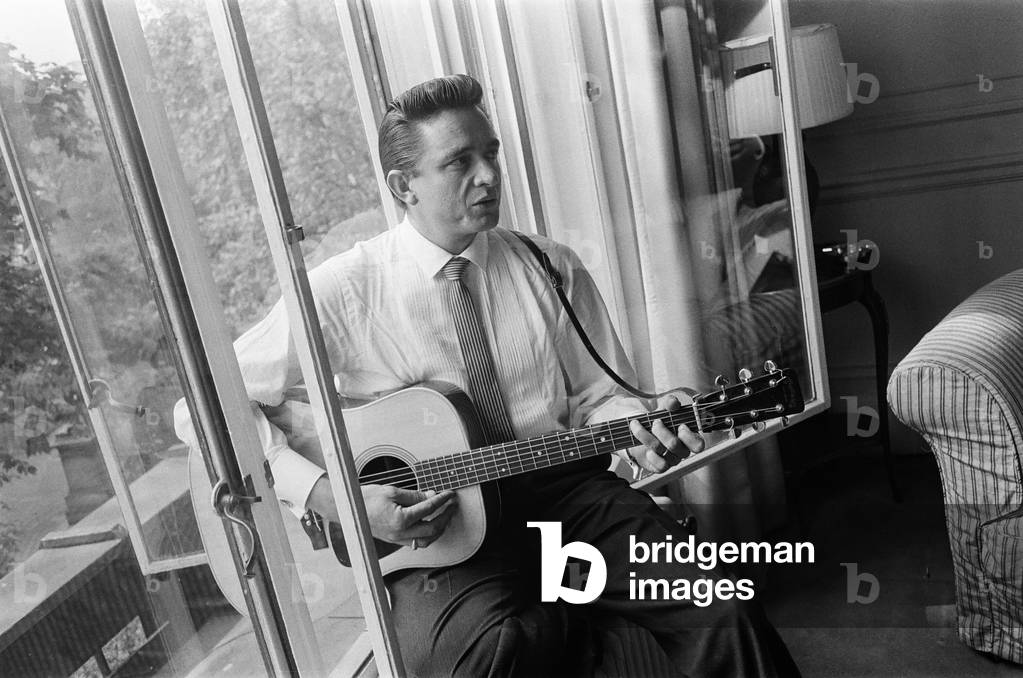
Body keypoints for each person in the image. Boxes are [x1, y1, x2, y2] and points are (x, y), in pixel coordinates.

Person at [176, 74, 799, 677]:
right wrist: (339, 500)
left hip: (567, 497)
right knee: (468, 661)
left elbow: (600, 399)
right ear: (404, 185)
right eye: (460, 161)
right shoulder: (346, 289)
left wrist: (648, 424)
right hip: (436, 531)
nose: (490, 175)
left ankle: (554, 599)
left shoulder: (550, 265)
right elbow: (199, 409)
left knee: (721, 612)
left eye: (492, 152)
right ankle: (562, 603)